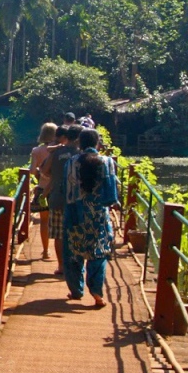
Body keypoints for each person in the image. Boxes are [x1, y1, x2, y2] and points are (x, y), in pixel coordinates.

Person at [62, 128, 118, 308]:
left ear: (79, 143)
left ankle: (76, 290)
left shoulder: (71, 162)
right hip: (98, 216)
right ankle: (97, 294)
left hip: (75, 215)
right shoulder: (107, 162)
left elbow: (66, 189)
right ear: (97, 143)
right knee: (99, 252)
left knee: (72, 253)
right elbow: (111, 195)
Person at [40, 125, 81, 276]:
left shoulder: (57, 152)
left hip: (57, 197)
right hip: (76, 200)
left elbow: (44, 170)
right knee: (76, 233)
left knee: (59, 234)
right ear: (78, 138)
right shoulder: (81, 154)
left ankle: (61, 266)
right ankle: (75, 266)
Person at [28, 123, 58, 259]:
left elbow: (32, 171)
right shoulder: (59, 150)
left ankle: (45, 251)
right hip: (57, 189)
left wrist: (40, 173)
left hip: (42, 188)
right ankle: (61, 256)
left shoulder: (36, 151)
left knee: (44, 221)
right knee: (61, 220)